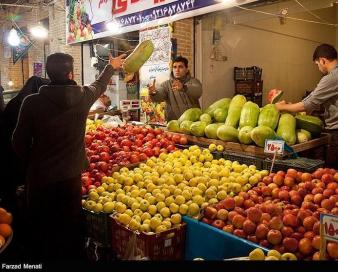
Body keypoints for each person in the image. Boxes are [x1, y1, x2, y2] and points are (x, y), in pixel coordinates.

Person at [12, 52, 125, 260]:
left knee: (42, 230)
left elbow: (18, 142)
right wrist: (111, 66)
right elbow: (99, 85)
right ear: (71, 73)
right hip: (71, 179)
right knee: (69, 228)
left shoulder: (31, 102)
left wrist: (32, 164)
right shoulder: (82, 96)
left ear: (47, 73)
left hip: (40, 180)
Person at [275, 43, 338, 169]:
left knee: (333, 172)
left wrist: (280, 107)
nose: (318, 67)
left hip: (337, 131)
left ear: (323, 60)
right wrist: (290, 105)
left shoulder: (331, 78)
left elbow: (308, 104)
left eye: (317, 64)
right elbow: (313, 96)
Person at [148, 56, 202, 121]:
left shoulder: (193, 81)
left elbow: (198, 92)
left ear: (187, 69)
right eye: (175, 67)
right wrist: (153, 92)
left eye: (180, 67)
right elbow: (160, 95)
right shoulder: (166, 84)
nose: (177, 70)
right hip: (174, 123)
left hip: (193, 123)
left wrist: (183, 87)